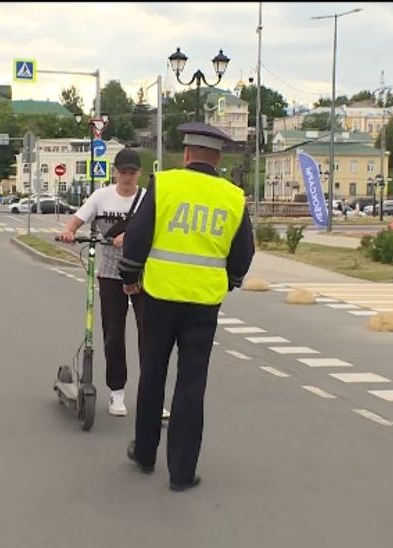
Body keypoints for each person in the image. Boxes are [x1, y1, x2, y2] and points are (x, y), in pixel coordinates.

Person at [119, 122, 255, 492]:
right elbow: (243, 253)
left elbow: (138, 235)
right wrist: (230, 280)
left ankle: (145, 454)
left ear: (188, 154)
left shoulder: (164, 184)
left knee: (153, 375)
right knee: (192, 384)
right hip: (203, 304)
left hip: (159, 297)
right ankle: (181, 473)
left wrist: (129, 275)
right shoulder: (232, 196)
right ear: (218, 157)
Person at [57, 148, 168, 418]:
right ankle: (116, 393)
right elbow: (77, 220)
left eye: (132, 172)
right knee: (113, 334)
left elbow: (159, 228)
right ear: (115, 172)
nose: (127, 177)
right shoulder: (101, 196)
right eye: (123, 172)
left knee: (149, 337)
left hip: (143, 274)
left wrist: (130, 234)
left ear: (139, 173)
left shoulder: (147, 200)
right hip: (109, 273)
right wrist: (69, 232)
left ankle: (151, 398)